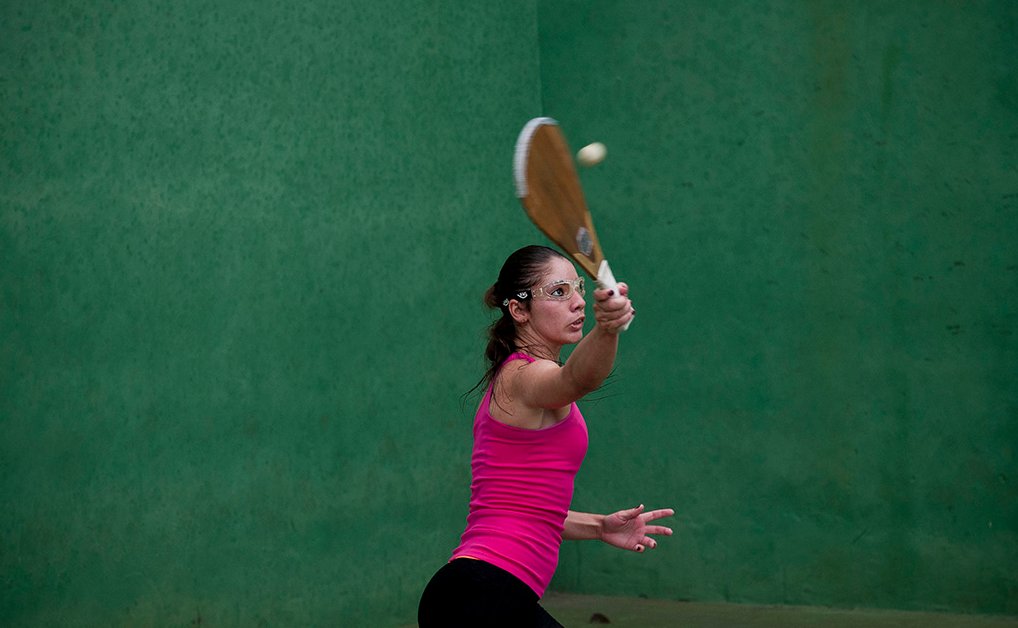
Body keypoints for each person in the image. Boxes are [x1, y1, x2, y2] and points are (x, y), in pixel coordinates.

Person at [418, 245, 675, 627]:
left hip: (480, 595)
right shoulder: (520, 378)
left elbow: (526, 509)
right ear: (519, 311)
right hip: (480, 594)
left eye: (578, 289)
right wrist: (607, 328)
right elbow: (577, 378)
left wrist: (599, 527)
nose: (577, 303)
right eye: (558, 292)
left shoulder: (530, 381)